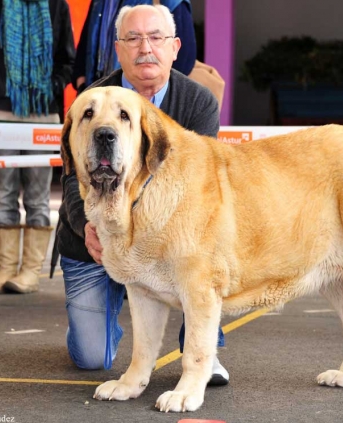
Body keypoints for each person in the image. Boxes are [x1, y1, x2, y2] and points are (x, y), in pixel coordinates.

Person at [55, 4, 229, 385]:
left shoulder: (200, 102)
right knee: (90, 357)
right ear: (118, 50)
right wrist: (86, 224)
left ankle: (202, 349)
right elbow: (70, 175)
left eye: (155, 38)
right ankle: (103, 325)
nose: (144, 47)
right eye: (132, 38)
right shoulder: (91, 100)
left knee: (198, 261)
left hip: (168, 243)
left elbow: (200, 187)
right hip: (94, 241)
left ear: (175, 47)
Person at [0, 0, 75, 295]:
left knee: (38, 194)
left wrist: (54, 84)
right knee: (4, 192)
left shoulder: (56, 4)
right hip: (1, 112)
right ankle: (6, 269)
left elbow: (68, 60)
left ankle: (30, 272)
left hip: (43, 114)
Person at [72, 0, 196, 93]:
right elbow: (84, 48)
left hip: (142, 102)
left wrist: (155, 97)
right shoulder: (102, 2)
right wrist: (83, 87)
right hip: (99, 97)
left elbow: (184, 59)